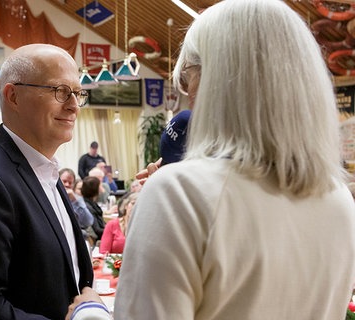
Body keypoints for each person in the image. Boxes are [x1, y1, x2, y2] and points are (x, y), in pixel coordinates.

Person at [67, 0, 355, 319]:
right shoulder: (339, 199)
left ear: (216, 81)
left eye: (188, 79)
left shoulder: (179, 194)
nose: (189, 98)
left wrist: (89, 311)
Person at [0, 43, 93, 319]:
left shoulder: (44, 170)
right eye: (60, 91)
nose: (73, 106)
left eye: (78, 93)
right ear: (13, 96)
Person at [59, 168, 94, 240]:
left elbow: (88, 222)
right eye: (64, 181)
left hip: (75, 236)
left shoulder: (77, 199)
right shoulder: (52, 197)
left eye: (70, 182)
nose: (67, 185)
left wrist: (75, 201)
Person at [81, 176, 106, 244]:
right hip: (98, 240)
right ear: (95, 189)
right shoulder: (88, 206)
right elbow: (97, 230)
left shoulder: (93, 203)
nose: (102, 188)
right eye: (100, 186)